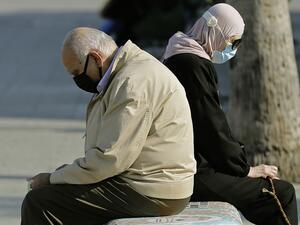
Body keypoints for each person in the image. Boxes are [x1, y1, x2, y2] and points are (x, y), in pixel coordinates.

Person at [21, 27, 196, 225]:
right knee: (61, 195)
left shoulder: (131, 82)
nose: (78, 80)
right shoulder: (126, 71)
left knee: (40, 202)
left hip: (153, 189)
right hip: (148, 182)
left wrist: (52, 178)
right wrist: (66, 175)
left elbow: (110, 158)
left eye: (78, 73)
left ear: (95, 58)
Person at [162, 3, 298, 225]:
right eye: (232, 41)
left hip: (189, 165)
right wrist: (245, 169)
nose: (232, 48)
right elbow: (211, 128)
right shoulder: (190, 64)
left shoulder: (180, 53)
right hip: (192, 173)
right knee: (281, 194)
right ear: (216, 31)